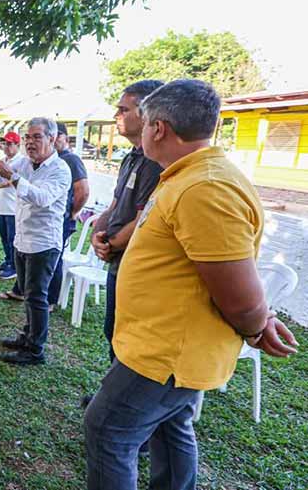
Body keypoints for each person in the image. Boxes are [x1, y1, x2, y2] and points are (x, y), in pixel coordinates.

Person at [84, 79, 299, 490]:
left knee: (107, 430)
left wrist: (257, 323)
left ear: (158, 128)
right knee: (170, 427)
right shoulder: (188, 175)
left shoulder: (205, 187)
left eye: (143, 123)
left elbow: (238, 291)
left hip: (166, 354)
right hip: (167, 349)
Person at [0, 117, 71, 365]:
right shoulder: (25, 163)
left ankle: (35, 350)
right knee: (29, 294)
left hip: (43, 243)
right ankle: (27, 336)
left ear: (52, 139)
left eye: (37, 137)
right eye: (28, 137)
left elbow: (41, 198)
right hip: (23, 240)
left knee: (36, 297)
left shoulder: (60, 169)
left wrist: (14, 177)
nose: (30, 142)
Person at [90, 80, 164, 366]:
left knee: (130, 337)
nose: (116, 115)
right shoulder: (131, 158)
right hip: (118, 260)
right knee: (114, 331)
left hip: (137, 265)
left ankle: (117, 402)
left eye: (123, 109)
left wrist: (110, 243)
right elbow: (115, 203)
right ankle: (112, 391)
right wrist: (99, 234)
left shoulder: (157, 161)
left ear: (146, 114)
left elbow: (146, 216)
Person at [46, 123, 90, 307]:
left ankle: (50, 301)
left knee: (54, 260)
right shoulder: (51, 159)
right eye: (50, 136)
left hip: (63, 219)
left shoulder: (71, 159)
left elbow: (83, 191)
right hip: (50, 218)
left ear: (65, 137)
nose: (53, 140)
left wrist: (73, 213)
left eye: (56, 136)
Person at [0, 132, 22, 280]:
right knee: (4, 236)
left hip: (13, 206)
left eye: (10, 144)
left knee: (12, 238)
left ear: (17, 145)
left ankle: (14, 267)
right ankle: (8, 261)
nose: (6, 147)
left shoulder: (21, 161)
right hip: (2, 204)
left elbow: (14, 181)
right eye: (4, 144)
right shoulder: (2, 160)